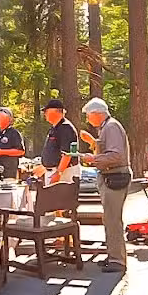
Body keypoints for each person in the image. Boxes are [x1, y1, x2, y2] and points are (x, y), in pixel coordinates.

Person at [79, 97, 132, 274]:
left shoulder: (111, 127)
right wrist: (94, 143)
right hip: (109, 175)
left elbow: (116, 155)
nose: (88, 119)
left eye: (88, 115)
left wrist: (93, 158)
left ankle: (118, 260)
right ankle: (113, 255)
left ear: (97, 114)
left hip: (115, 176)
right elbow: (108, 150)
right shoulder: (106, 127)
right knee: (109, 218)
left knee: (113, 219)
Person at [38, 99, 80, 185]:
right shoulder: (55, 128)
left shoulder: (65, 128)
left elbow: (67, 154)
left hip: (65, 172)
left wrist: (59, 173)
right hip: (53, 172)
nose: (45, 114)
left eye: (46, 112)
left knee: (62, 198)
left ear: (55, 111)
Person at [0, 107, 25, 180]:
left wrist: (1, 152)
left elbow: (21, 151)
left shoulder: (14, 133)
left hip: (8, 171)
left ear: (8, 119)